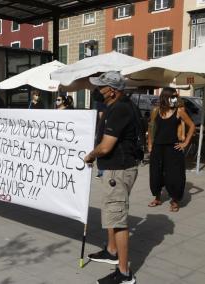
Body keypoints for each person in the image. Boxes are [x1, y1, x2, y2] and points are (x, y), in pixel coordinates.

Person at [84, 71, 138, 284]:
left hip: (118, 170)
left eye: (101, 87)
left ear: (112, 91)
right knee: (111, 213)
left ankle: (124, 274)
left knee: (118, 221)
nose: (98, 90)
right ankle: (111, 251)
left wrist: (90, 156)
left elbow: (106, 147)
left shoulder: (120, 109)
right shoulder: (118, 106)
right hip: (115, 170)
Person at [147, 87, 195, 212]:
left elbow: (192, 126)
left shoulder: (179, 111)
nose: (176, 99)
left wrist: (185, 143)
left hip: (173, 148)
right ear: (166, 97)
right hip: (157, 147)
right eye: (174, 96)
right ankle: (157, 197)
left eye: (177, 96)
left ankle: (175, 200)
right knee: (155, 174)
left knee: (175, 175)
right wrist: (150, 143)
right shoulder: (156, 110)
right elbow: (151, 127)